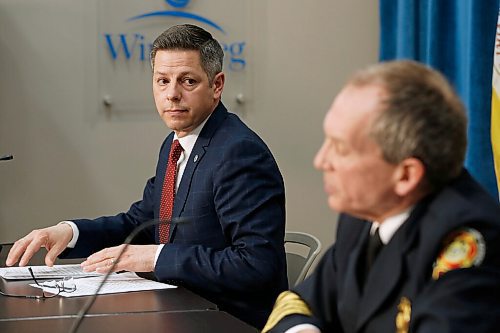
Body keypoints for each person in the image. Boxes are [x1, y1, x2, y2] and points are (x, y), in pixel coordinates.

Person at [6, 24, 287, 329]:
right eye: (162, 81)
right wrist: (70, 232)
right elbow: (138, 225)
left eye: (188, 81)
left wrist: (156, 257)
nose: (172, 94)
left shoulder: (239, 152)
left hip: (229, 319)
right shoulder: (176, 144)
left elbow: (256, 266)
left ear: (217, 85)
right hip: (179, 310)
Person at [263, 60, 500, 333]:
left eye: (340, 148)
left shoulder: (466, 241)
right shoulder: (364, 214)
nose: (321, 161)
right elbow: (303, 302)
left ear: (406, 176)